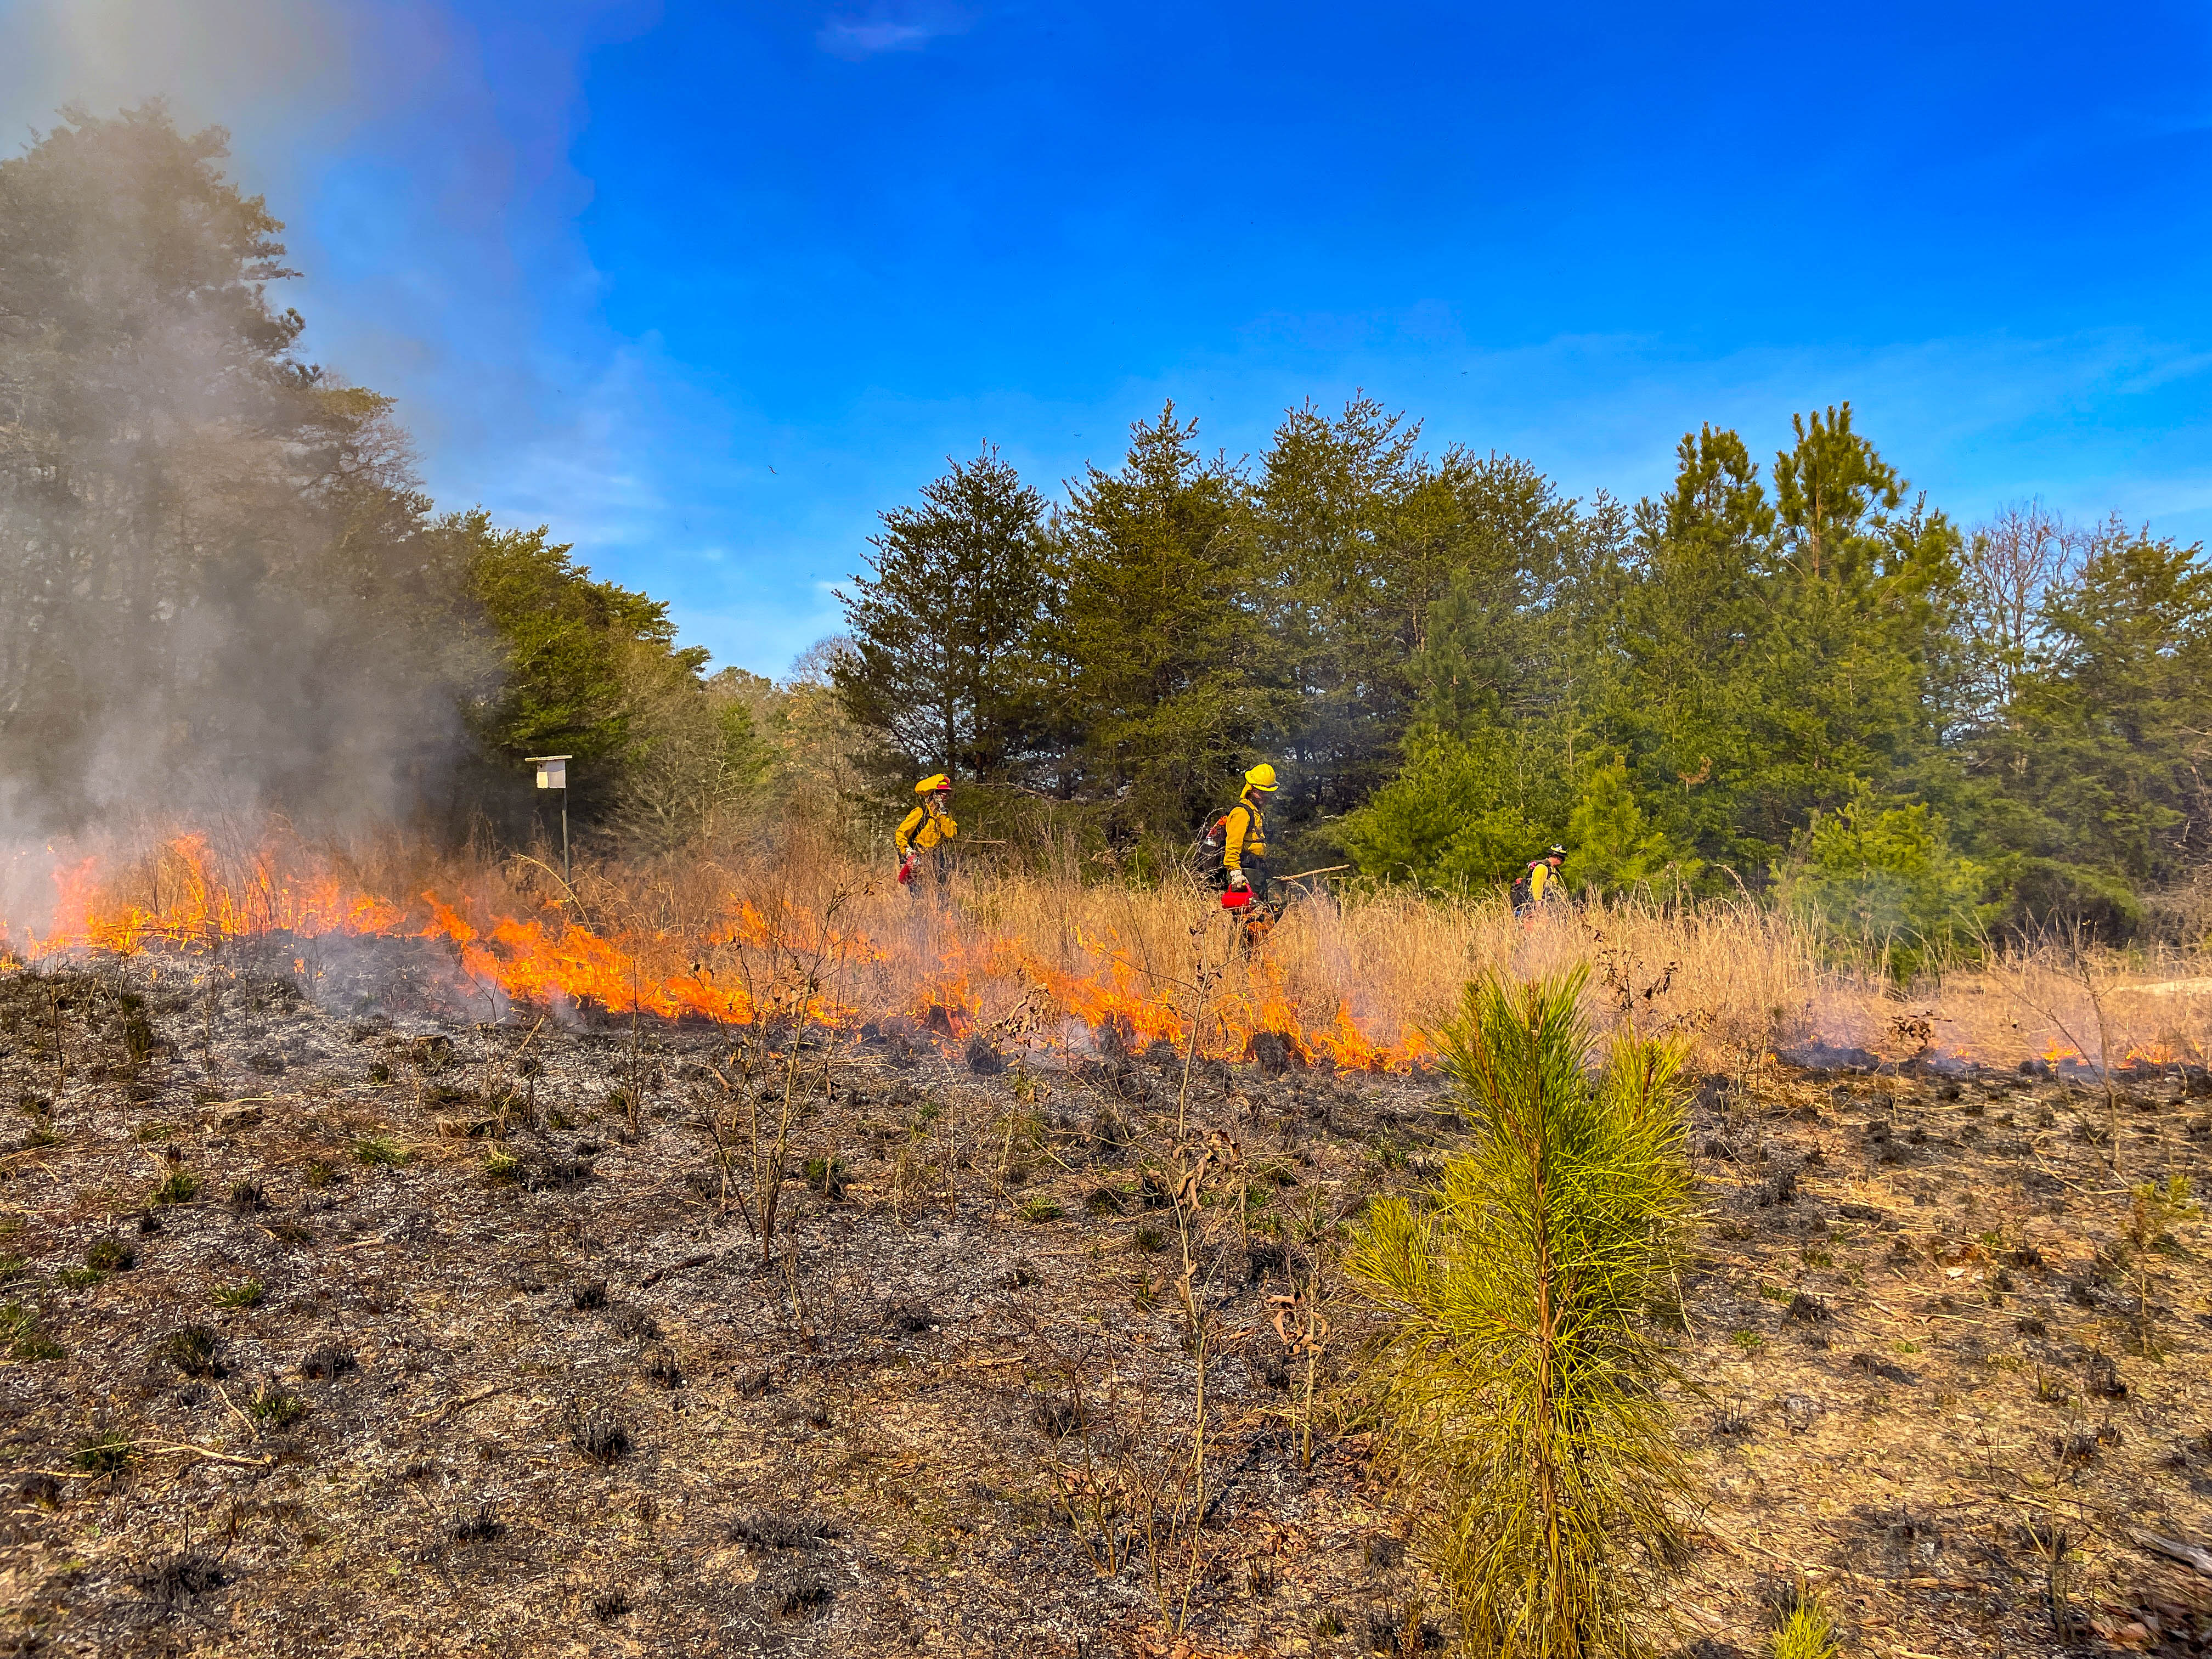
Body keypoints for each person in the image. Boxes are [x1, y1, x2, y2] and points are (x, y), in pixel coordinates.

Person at [895, 774, 958, 893]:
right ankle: (919, 910)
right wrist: (907, 851)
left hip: (937, 857)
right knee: (919, 894)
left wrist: (943, 815)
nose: (945, 796)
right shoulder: (920, 812)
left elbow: (951, 834)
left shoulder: (943, 815)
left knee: (943, 891)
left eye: (946, 793)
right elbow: (900, 832)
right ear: (933, 794)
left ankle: (941, 911)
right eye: (941, 793)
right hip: (918, 856)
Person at [1515, 844, 1566, 916]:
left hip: (1547, 904)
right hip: (1535, 904)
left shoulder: (1554, 870)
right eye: (1563, 858)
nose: (1563, 861)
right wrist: (1538, 902)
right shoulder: (1542, 868)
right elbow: (1537, 884)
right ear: (1557, 857)